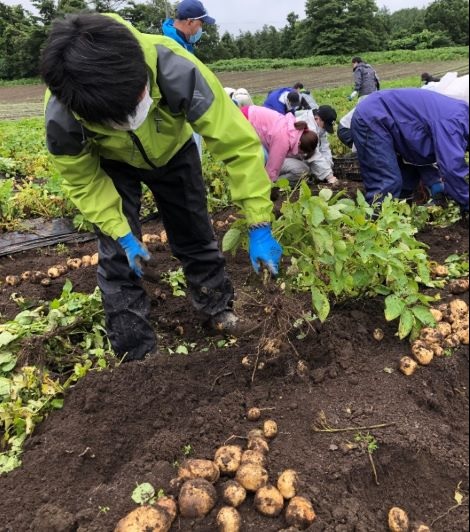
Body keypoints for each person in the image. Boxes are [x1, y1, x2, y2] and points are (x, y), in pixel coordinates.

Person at [40, 13, 282, 362]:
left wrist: (259, 222)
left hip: (173, 151)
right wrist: (121, 233)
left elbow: (238, 145)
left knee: (194, 233)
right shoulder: (63, 111)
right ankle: (135, 351)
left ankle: (217, 309)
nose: (127, 120)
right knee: (117, 258)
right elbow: (84, 180)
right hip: (112, 164)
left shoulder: (177, 68)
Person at [350, 89, 469, 209]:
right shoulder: (453, 123)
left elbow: (422, 153)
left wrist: (434, 180)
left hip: (392, 123)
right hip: (374, 118)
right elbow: (451, 169)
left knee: (408, 179)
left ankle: (399, 220)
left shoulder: (461, 116)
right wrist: (466, 200)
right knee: (387, 182)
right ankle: (375, 223)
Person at [162, 0, 215, 158]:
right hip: (175, 118)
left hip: (189, 111)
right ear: (190, 22)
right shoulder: (170, 46)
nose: (201, 28)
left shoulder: (184, 45)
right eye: (200, 23)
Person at [241, 105, 318, 183]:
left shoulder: (294, 129)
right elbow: (272, 168)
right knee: (262, 160)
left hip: (247, 114)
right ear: (299, 143)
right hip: (244, 123)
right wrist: (270, 185)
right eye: (301, 151)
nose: (298, 153)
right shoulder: (283, 140)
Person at [280, 106, 338, 185]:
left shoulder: (319, 126)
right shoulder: (309, 127)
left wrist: (329, 165)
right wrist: (329, 176)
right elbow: (313, 155)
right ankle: (275, 182)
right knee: (303, 170)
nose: (324, 129)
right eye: (325, 126)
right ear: (317, 118)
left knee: (313, 168)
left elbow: (324, 147)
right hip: (281, 158)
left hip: (295, 156)